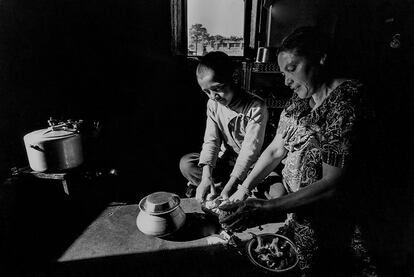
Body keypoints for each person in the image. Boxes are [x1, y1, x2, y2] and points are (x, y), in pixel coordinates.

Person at [219, 27, 376, 276]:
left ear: (320, 57)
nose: (286, 81)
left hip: (336, 222)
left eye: (291, 69)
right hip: (300, 211)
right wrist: (243, 188)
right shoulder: (301, 99)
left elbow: (333, 183)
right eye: (282, 73)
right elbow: (275, 150)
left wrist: (267, 208)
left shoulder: (347, 102)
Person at [179, 51, 269, 202]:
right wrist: (206, 175)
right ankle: (215, 185)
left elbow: (250, 152)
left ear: (234, 78)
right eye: (207, 92)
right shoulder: (213, 104)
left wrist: (228, 189)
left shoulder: (256, 106)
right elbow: (211, 141)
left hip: (252, 166)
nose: (213, 97)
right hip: (226, 162)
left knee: (277, 193)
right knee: (187, 164)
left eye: (217, 89)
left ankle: (225, 187)